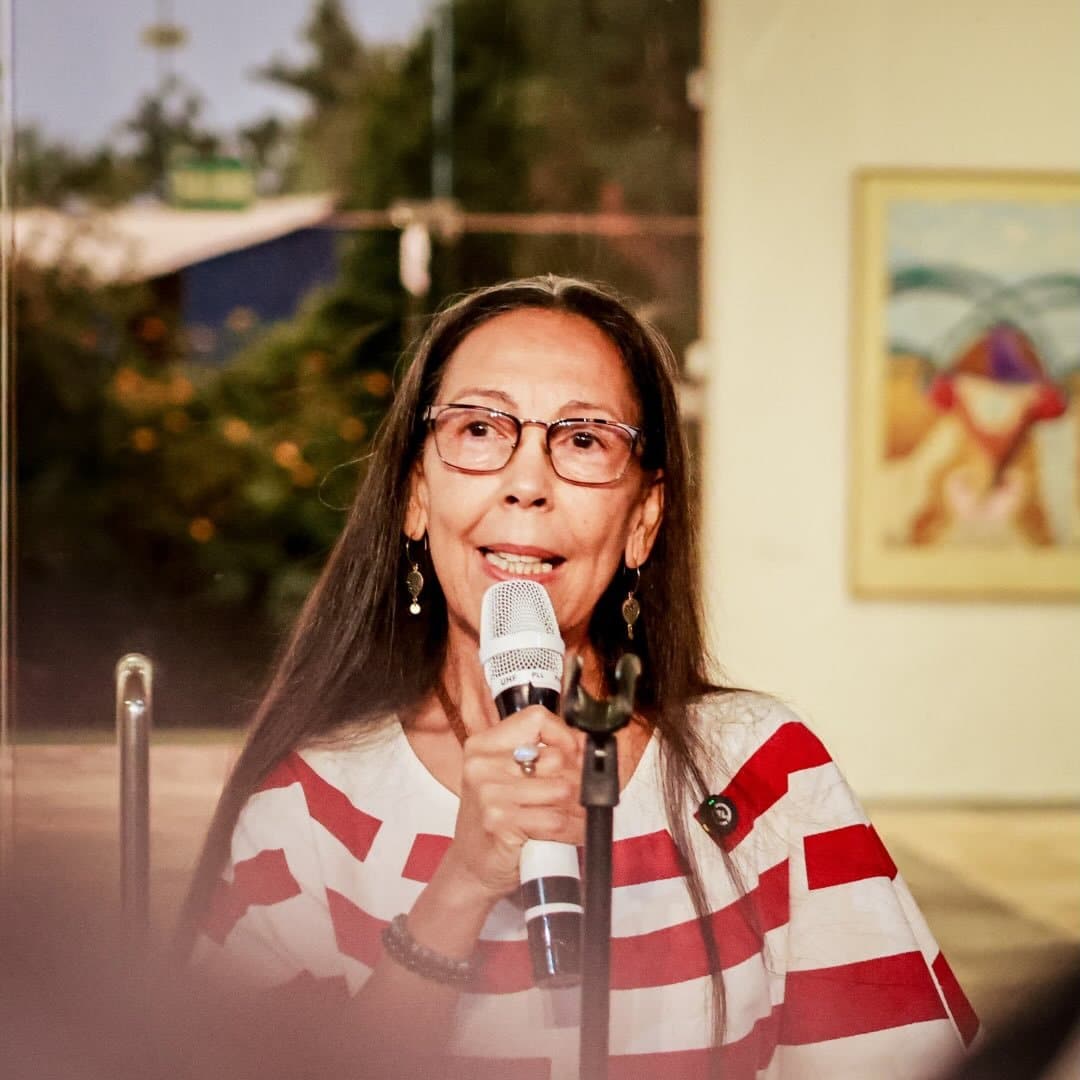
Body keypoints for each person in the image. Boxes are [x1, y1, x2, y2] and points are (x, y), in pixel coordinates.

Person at [178, 275, 978, 1078]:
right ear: (415, 496)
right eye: (480, 429)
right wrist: (462, 888)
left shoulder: (762, 774)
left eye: (585, 440)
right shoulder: (308, 810)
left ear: (643, 520)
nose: (528, 484)